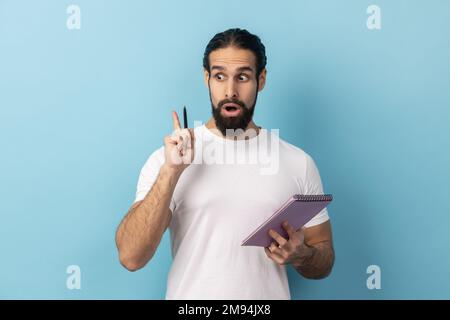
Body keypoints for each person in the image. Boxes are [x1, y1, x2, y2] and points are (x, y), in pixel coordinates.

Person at [115, 28, 335, 299]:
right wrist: (170, 173)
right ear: (207, 78)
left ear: (261, 79)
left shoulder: (298, 162)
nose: (230, 91)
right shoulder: (167, 159)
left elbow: (324, 259)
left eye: (242, 77)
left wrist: (301, 255)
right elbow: (131, 257)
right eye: (219, 76)